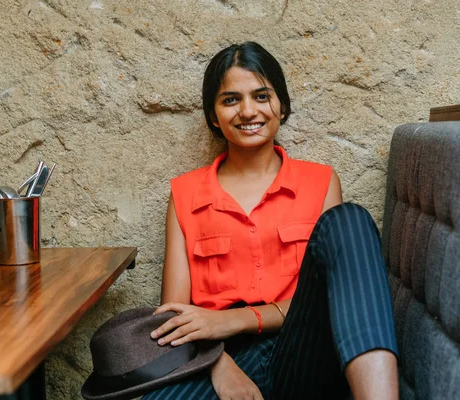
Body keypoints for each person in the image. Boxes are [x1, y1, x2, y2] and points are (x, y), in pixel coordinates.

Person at [143, 41, 399, 400]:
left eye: (262, 96)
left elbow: (332, 296)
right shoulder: (185, 194)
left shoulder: (321, 182)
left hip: (304, 349)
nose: (248, 111)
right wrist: (219, 366)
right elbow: (174, 318)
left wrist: (235, 319)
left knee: (351, 221)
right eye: (230, 100)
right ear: (214, 116)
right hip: (219, 356)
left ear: (282, 106)